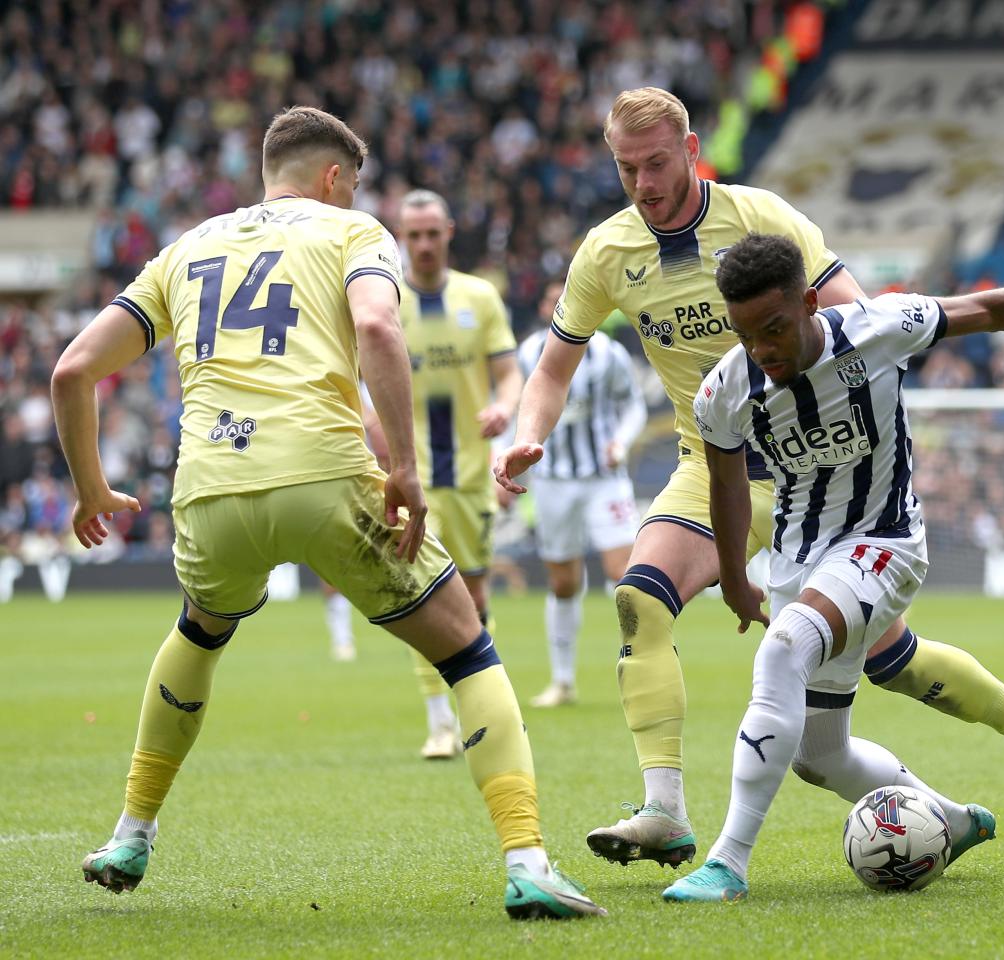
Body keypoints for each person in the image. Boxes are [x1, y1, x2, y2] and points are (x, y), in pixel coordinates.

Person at [493, 86, 1004, 867]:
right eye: (627, 168)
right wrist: (528, 434)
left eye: (657, 163)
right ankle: (665, 811)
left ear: (691, 151)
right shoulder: (607, 253)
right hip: (714, 469)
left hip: (814, 470)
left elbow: (853, 319)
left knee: (887, 659)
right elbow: (555, 366)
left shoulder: (759, 218)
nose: (644, 182)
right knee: (640, 596)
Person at [55, 106, 602, 920]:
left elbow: (71, 371)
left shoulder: (189, 246)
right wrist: (406, 470)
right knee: (469, 651)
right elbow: (379, 325)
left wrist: (91, 490)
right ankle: (528, 863)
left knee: (201, 630)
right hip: (322, 473)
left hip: (209, 488)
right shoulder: (352, 232)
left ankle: (132, 831)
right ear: (335, 177)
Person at [663, 234, 1004, 901]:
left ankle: (728, 862)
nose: (763, 349)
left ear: (811, 302)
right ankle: (979, 794)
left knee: (785, 651)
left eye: (776, 328)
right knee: (821, 754)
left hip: (885, 541)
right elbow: (725, 484)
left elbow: (987, 310)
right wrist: (733, 576)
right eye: (747, 333)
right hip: (800, 560)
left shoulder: (879, 327)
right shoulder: (725, 390)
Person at [396, 189, 523, 758]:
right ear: (402, 237)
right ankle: (439, 724)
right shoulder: (384, 301)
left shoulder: (479, 296)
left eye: (431, 233)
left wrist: (504, 406)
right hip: (413, 475)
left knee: (472, 598)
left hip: (472, 475)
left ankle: (477, 706)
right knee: (417, 596)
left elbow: (509, 373)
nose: (423, 244)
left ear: (448, 231)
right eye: (413, 235)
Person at [516, 281, 647, 707]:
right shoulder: (528, 354)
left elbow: (634, 406)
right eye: (555, 304)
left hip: (603, 478)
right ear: (544, 309)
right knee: (564, 581)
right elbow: (518, 411)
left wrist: (621, 443)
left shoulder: (609, 355)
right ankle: (563, 681)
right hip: (553, 480)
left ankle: (642, 668)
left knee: (624, 575)